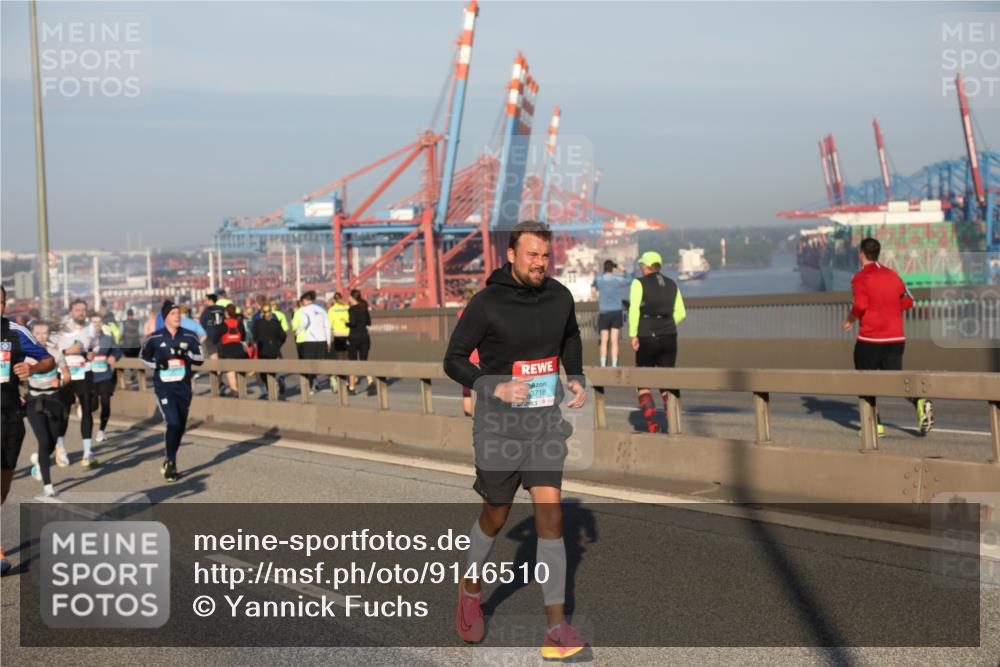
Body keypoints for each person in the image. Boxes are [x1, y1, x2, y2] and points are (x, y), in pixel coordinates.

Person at [443, 220, 588, 659]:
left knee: (552, 516)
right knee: (496, 514)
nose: (540, 264)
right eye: (532, 255)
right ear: (511, 255)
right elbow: (451, 360)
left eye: (546, 256)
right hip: (498, 427)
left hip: (544, 424)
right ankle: (470, 589)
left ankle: (557, 629)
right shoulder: (487, 302)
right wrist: (494, 386)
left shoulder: (560, 296)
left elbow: (570, 336)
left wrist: (576, 374)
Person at [841, 237, 931, 435]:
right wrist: (889, 308)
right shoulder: (892, 275)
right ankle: (920, 402)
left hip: (871, 340)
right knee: (896, 381)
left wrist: (849, 320)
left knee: (865, 382)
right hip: (896, 339)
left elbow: (861, 306)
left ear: (861, 254)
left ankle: (875, 425)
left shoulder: (859, 278)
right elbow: (909, 300)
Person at [1, 286, 55, 574]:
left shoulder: (16, 332)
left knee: (4, 486)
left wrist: (31, 370)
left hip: (9, 416)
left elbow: (49, 359)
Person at [140, 300, 204, 482]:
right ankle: (171, 461)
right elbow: (143, 357)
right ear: (165, 317)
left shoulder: (190, 336)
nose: (177, 317)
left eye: (179, 314)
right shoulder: (155, 338)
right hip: (164, 388)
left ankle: (169, 458)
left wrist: (186, 355)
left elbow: (200, 359)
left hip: (184, 388)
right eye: (173, 314)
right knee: (173, 422)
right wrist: (157, 364)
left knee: (180, 426)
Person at [628, 251, 686, 434]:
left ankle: (653, 424)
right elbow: (681, 313)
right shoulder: (672, 284)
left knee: (643, 382)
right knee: (666, 381)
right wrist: (666, 324)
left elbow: (634, 310)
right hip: (670, 335)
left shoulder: (638, 283)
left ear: (645, 266)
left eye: (641, 266)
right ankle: (672, 421)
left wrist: (633, 334)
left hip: (647, 335)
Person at [26, 321, 71, 497]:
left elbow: (67, 375)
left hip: (54, 400)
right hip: (34, 401)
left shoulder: (55, 353)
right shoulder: (25, 355)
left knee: (53, 441)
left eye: (45, 333)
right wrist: (20, 394)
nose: (42, 336)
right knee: (44, 441)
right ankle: (48, 485)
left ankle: (39, 460)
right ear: (32, 335)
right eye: (38, 333)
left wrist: (60, 381)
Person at [56, 299, 101, 467]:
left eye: (83, 310)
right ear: (71, 312)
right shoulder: (61, 328)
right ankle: (60, 448)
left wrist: (92, 353)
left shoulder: (91, 328)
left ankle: (87, 452)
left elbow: (96, 346)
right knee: (64, 413)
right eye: (77, 310)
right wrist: (67, 351)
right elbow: (50, 348)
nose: (81, 313)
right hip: (66, 373)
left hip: (84, 372)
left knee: (87, 410)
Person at [89, 312, 122, 443]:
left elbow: (117, 350)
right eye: (94, 322)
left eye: (99, 322)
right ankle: (84, 407)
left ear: (102, 324)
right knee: (93, 406)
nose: (97, 325)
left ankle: (101, 431)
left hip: (104, 375)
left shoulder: (108, 338)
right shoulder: (85, 339)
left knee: (106, 403)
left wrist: (114, 356)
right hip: (90, 376)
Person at [592, 259, 631, 368]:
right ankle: (614, 365)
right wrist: (623, 270)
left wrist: (602, 271)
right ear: (612, 269)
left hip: (604, 313)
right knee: (614, 340)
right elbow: (630, 280)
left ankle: (603, 365)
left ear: (604, 268)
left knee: (604, 341)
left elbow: (594, 281)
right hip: (616, 312)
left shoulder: (599, 280)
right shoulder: (616, 280)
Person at [293, 291, 331, 393]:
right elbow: (328, 326)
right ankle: (318, 382)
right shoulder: (322, 310)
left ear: (304, 300)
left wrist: (298, 331)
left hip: (310, 340)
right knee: (319, 364)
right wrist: (328, 341)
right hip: (322, 340)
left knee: (308, 364)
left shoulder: (304, 310)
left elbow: (305, 322)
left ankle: (310, 386)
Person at [456, 284, 481, 417]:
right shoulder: (483, 313)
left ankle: (468, 419)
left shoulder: (461, 314)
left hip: (467, 358)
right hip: (482, 358)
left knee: (467, 391)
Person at [251, 303, 286, 399]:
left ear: (262, 313)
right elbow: (283, 336)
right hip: (275, 349)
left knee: (263, 372)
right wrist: (278, 344)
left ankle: (270, 390)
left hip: (263, 350)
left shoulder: (258, 323)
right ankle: (278, 378)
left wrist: (255, 344)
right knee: (274, 368)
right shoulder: (276, 322)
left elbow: (254, 336)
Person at [346, 289, 373, 395]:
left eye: (349, 297)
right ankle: (370, 382)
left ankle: (352, 387)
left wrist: (346, 323)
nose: (348, 299)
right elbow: (369, 323)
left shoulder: (351, 310)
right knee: (364, 361)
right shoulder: (364, 308)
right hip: (365, 337)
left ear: (352, 298)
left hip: (354, 337)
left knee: (352, 362)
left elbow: (352, 323)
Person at [218, 303, 248, 395]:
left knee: (231, 374)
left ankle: (234, 391)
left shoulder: (223, 324)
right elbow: (243, 338)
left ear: (226, 313)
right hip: (239, 350)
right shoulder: (239, 323)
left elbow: (216, 338)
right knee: (240, 374)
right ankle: (240, 392)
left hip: (227, 351)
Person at [328, 292, 351, 364]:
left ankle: (341, 374)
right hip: (348, 333)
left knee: (339, 354)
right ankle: (349, 372)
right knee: (347, 354)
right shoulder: (347, 307)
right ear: (341, 298)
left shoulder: (331, 310)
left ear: (334, 300)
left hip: (338, 334)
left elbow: (329, 324)